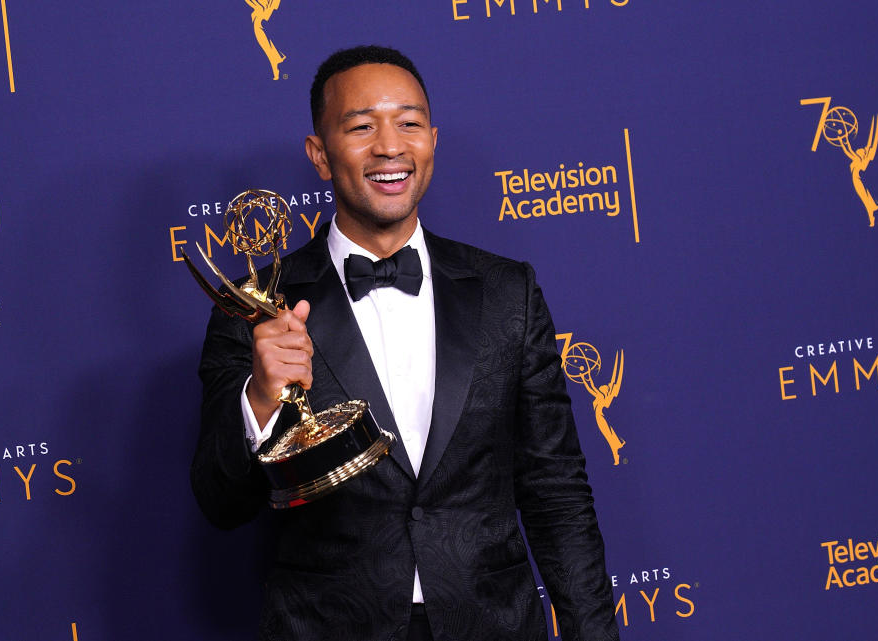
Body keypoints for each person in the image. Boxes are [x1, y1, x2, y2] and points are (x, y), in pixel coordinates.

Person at [191, 45, 620, 641]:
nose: (390, 146)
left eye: (409, 123)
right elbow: (220, 503)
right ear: (319, 155)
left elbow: (556, 490)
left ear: (432, 141)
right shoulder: (255, 306)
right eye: (362, 126)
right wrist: (260, 401)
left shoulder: (507, 292)